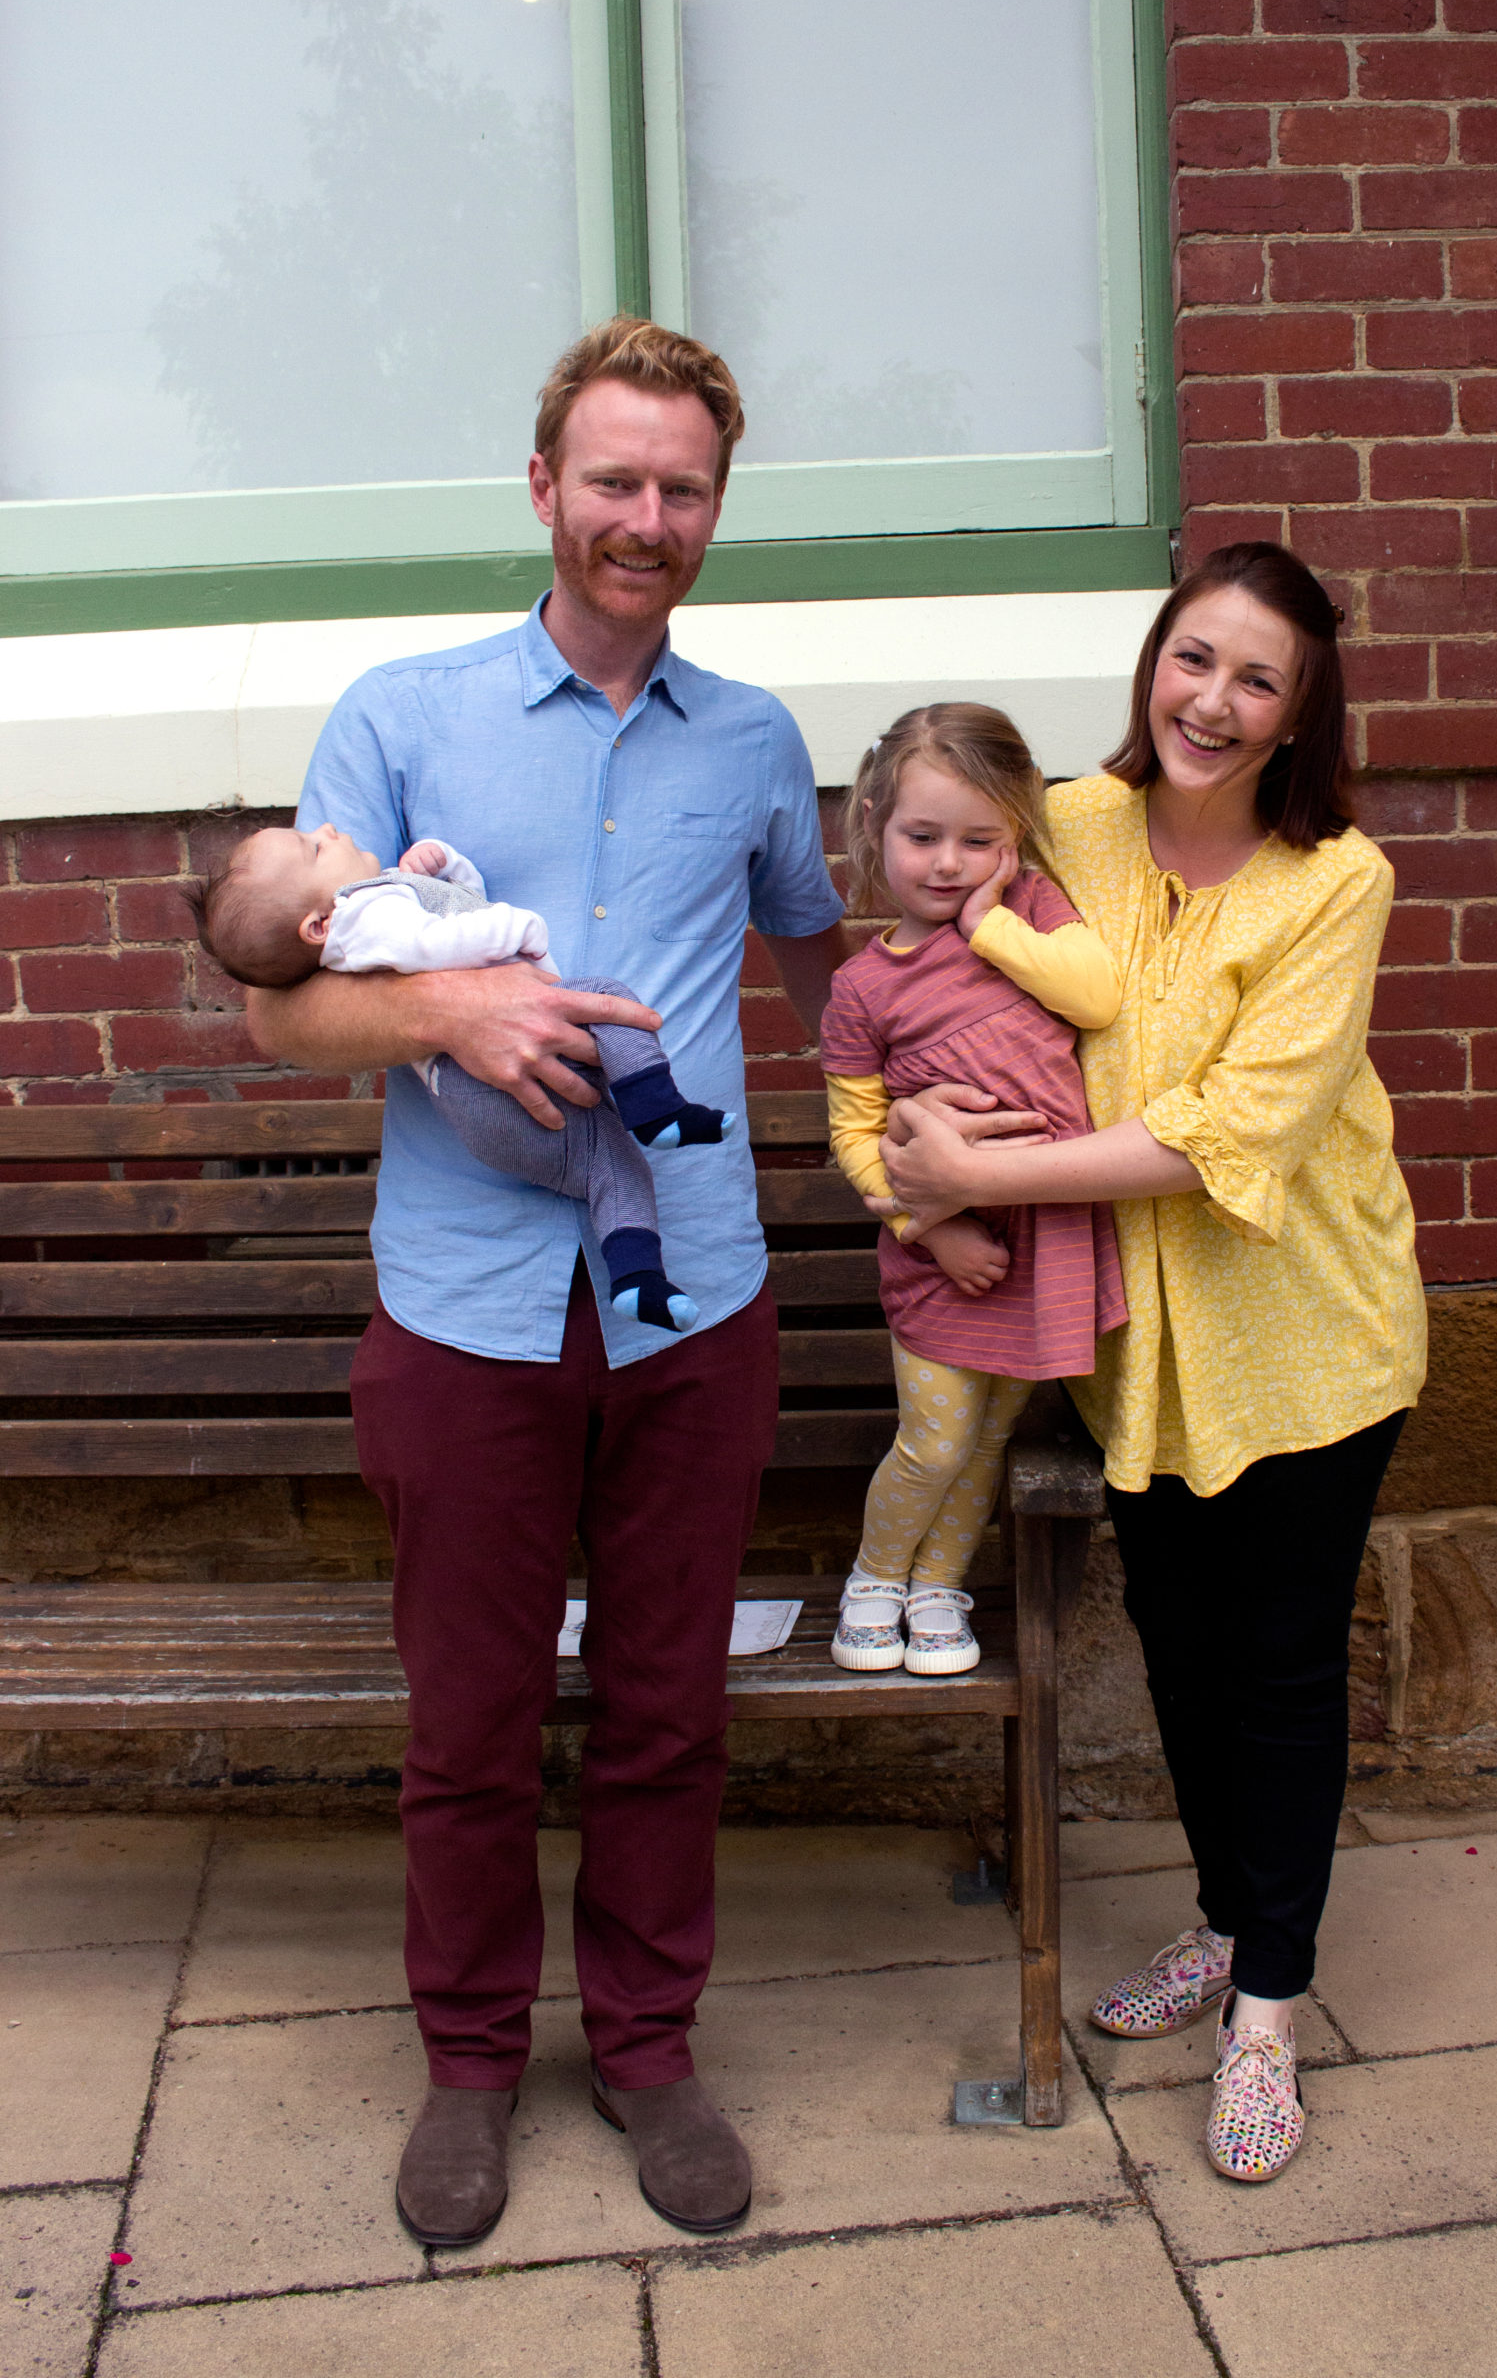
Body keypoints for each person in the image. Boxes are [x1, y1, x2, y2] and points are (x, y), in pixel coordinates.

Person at [244, 316, 848, 2246]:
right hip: (465, 1303)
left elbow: (833, 969)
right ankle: (473, 2065)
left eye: (680, 488)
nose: (643, 518)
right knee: (474, 1717)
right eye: (613, 479)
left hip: (697, 1294)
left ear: (713, 510)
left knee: (670, 1701)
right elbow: (283, 1015)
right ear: (542, 487)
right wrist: (459, 1011)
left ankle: (651, 2050)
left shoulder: (756, 743)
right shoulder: (400, 713)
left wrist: (955, 1112)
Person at [874, 541, 1426, 2185]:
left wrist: (980, 1179)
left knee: (1275, 1665)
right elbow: (946, 974)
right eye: (1195, 658)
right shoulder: (1066, 824)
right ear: (1153, 662)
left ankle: (1269, 2010)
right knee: (1179, 1647)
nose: (1213, 699)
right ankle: (1221, 1914)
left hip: (1305, 1328)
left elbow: (1222, 1132)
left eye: (1256, 679)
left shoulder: (1337, 883)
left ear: (1297, 717)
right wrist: (904, 1117)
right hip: (1129, 1341)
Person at [819, 705, 1126, 1675]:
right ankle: (874, 1576)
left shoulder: (1029, 914)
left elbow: (1095, 994)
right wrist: (929, 1225)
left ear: (1016, 839)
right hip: (937, 1253)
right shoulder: (863, 990)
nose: (948, 863)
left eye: (978, 841)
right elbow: (854, 1131)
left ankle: (938, 1587)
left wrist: (993, 924)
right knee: (935, 1439)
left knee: (991, 1432)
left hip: (1042, 1237)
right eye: (922, 837)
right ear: (874, 825)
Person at [192, 825, 733, 1331]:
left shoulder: (370, 914)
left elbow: (455, 910)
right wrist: (516, 928)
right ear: (316, 925)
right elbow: (435, 943)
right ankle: (658, 1109)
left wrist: (446, 869)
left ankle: (639, 1279)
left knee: (608, 1165)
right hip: (489, 1081)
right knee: (608, 1001)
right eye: (314, 848)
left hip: (477, 1109)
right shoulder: (361, 913)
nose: (328, 830)